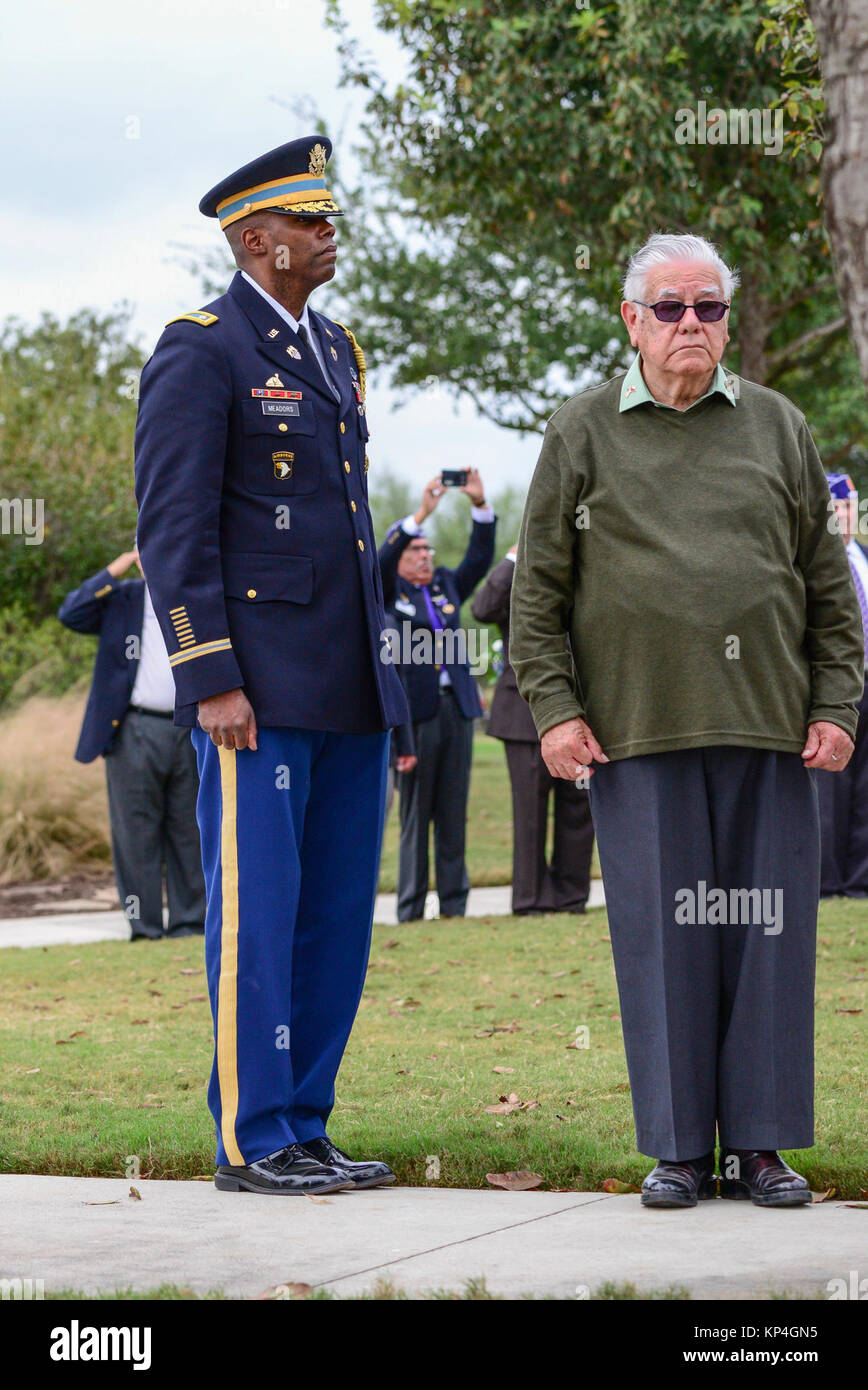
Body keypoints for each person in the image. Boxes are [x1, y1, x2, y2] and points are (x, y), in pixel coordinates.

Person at [510, 232, 863, 1210]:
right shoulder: (580, 431)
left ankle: (759, 1146)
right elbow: (538, 590)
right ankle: (675, 1149)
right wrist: (553, 708)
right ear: (632, 321)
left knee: (769, 938)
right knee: (665, 941)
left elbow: (827, 587)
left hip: (769, 728)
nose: (691, 326)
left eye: (708, 307)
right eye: (669, 308)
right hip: (636, 732)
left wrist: (837, 703)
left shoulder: (778, 425)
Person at [134, 136, 410, 1197]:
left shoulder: (337, 348)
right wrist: (209, 678)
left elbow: (344, 530)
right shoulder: (199, 350)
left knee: (336, 916)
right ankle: (252, 1134)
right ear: (257, 239)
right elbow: (173, 528)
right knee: (260, 913)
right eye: (310, 222)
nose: (328, 234)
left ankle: (306, 1118)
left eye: (328, 218)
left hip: (345, 683)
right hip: (257, 688)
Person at [57, 548, 205, 941]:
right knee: (134, 832)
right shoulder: (121, 598)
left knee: (190, 828)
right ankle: (145, 926)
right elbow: (71, 613)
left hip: (190, 727)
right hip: (134, 729)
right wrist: (120, 563)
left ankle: (190, 923)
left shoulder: (194, 600)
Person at [378, 471, 495, 920]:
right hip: (417, 716)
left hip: (458, 708)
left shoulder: (445, 585)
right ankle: (409, 906)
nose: (425, 556)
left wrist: (479, 507)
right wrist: (422, 513)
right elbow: (383, 561)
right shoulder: (391, 592)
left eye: (428, 548)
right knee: (416, 813)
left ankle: (454, 904)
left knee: (452, 808)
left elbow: (479, 560)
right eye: (415, 549)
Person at [471, 544, 594, 914]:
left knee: (579, 809)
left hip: (580, 708)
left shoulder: (583, 567)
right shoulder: (520, 574)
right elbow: (482, 609)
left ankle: (571, 896)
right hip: (523, 715)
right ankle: (530, 900)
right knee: (530, 813)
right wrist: (514, 555)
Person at [816, 472, 868, 897]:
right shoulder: (814, 568)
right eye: (833, 507)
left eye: (847, 506)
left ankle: (860, 879)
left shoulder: (864, 558)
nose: (841, 515)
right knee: (831, 785)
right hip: (835, 688)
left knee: (865, 788)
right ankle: (826, 880)